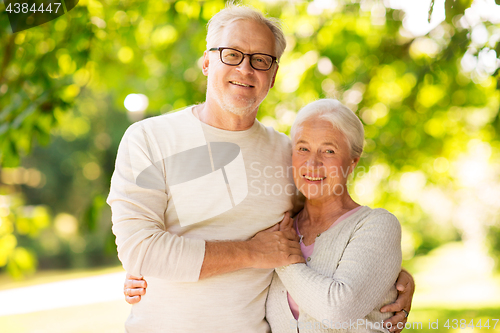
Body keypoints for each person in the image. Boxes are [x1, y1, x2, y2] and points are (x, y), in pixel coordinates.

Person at [109, 4, 414, 333]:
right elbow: (139, 248)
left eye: (260, 59)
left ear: (273, 76)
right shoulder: (149, 138)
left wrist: (392, 280)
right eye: (232, 54)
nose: (245, 68)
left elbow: (324, 228)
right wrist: (251, 252)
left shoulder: (288, 154)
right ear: (207, 61)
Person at [265, 99, 402, 332]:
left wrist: (283, 258)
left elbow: (337, 311)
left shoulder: (377, 225)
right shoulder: (279, 224)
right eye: (303, 148)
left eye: (329, 150)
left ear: (352, 163)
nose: (312, 162)